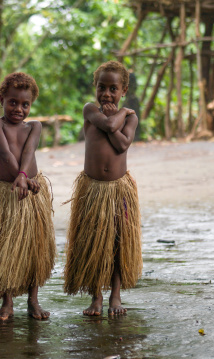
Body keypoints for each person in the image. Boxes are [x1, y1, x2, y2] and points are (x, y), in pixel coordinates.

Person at [0, 72, 56, 321]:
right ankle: (7, 303)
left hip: (32, 192)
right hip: (7, 193)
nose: (18, 109)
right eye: (13, 102)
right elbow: (5, 152)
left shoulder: (35, 126)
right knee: (6, 248)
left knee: (33, 247)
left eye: (25, 104)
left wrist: (24, 175)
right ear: (2, 99)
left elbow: (29, 152)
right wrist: (20, 176)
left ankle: (33, 301)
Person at [63, 60, 142, 316]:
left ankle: (115, 297)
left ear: (124, 90)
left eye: (113, 88)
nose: (106, 94)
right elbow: (109, 126)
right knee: (93, 243)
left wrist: (119, 116)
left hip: (118, 190)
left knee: (119, 242)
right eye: (101, 87)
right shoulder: (90, 110)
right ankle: (96, 297)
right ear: (95, 88)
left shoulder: (131, 118)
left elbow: (122, 144)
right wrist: (118, 114)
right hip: (93, 189)